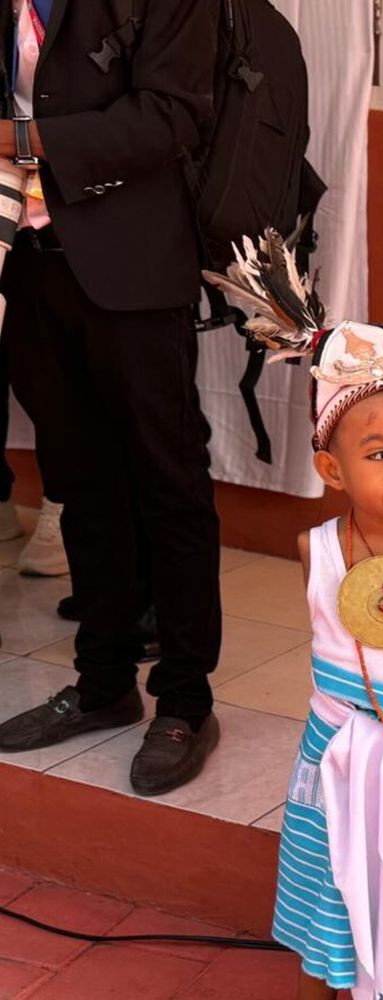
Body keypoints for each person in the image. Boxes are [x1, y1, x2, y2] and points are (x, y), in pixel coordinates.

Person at [204, 233, 383, 1000]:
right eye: (378, 453)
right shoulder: (316, 549)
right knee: (334, 907)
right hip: (342, 766)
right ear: (330, 469)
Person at [0, 0, 223, 794]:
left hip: (131, 261)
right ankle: (102, 687)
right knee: (79, 483)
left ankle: (185, 705)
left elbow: (173, 115)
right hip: (27, 260)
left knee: (168, 483)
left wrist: (25, 142)